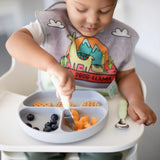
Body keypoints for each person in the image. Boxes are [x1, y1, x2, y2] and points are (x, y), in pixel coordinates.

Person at [6, 0, 156, 159]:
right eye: (81, 9)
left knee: (104, 156)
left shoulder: (120, 36)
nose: (92, 20)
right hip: (50, 108)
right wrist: (51, 65)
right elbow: (14, 42)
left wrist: (135, 100)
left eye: (104, 11)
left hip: (102, 112)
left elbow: (126, 75)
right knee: (37, 154)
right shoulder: (52, 23)